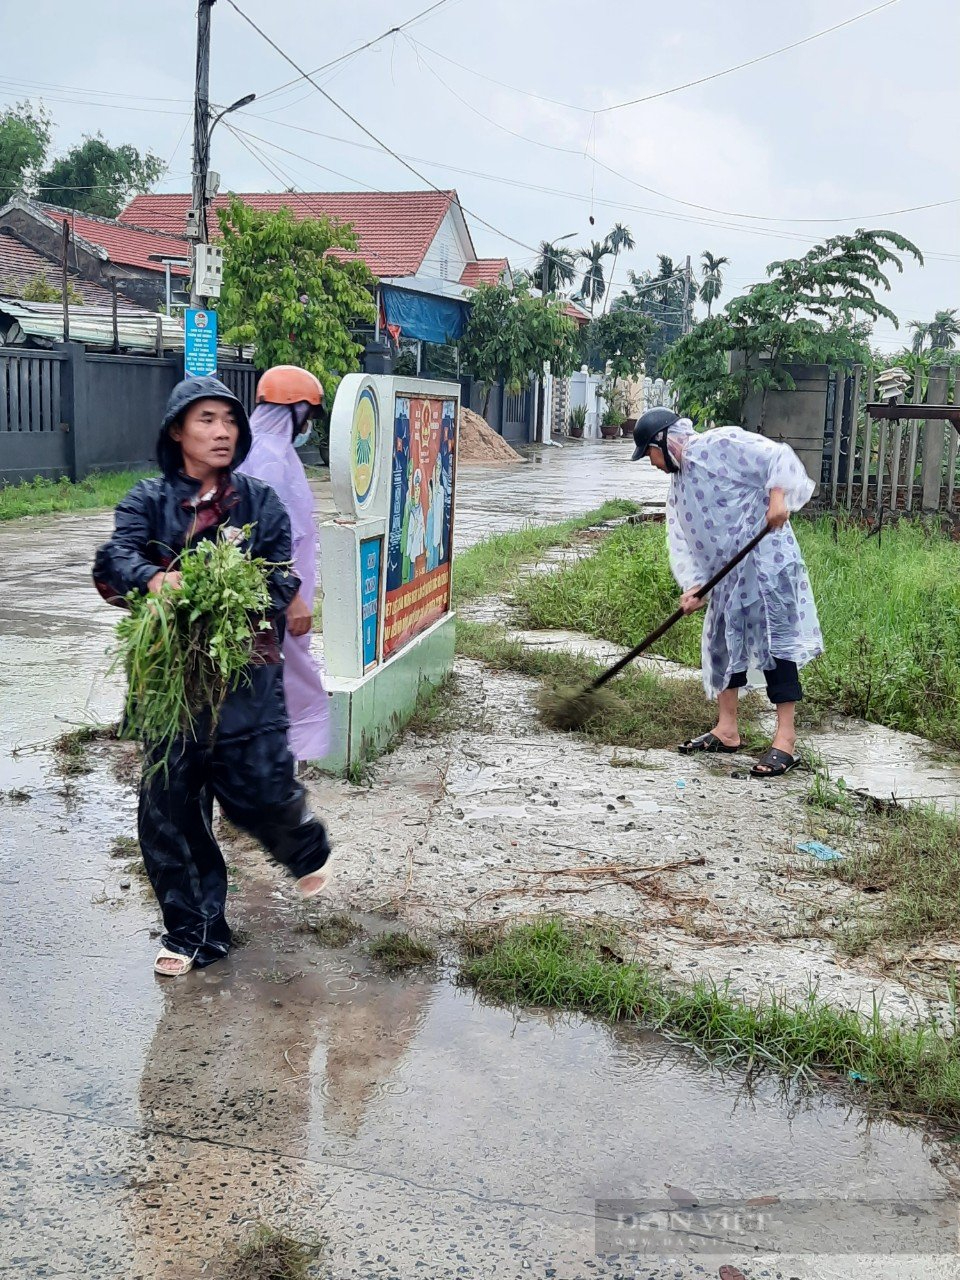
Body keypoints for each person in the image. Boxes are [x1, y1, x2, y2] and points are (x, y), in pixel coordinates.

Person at [93, 376, 333, 978]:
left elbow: (282, 574)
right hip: (170, 678)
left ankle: (299, 843)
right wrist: (153, 579)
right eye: (205, 420)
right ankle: (193, 930)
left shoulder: (258, 503)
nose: (221, 431)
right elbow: (115, 558)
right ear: (177, 432)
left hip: (244, 674)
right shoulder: (147, 501)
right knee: (169, 806)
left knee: (255, 790)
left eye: (229, 420)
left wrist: (242, 596)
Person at [631, 408, 823, 777]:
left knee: (776, 648)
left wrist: (777, 498)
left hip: (767, 566)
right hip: (728, 578)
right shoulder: (679, 486)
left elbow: (777, 457)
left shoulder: (720, 444)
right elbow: (683, 541)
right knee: (722, 644)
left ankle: (785, 741)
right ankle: (727, 729)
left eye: (649, 454)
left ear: (663, 442)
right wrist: (695, 586)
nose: (652, 463)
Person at [234, 365, 329, 764]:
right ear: (294, 410)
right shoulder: (269, 456)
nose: (308, 425)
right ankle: (280, 752)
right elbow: (265, 537)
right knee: (273, 665)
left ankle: (276, 751)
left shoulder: (269, 449)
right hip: (275, 592)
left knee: (276, 666)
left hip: (281, 589)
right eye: (307, 415)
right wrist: (289, 595)